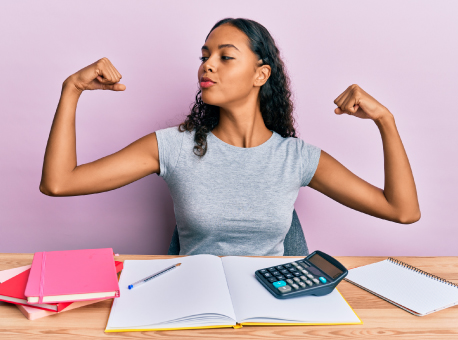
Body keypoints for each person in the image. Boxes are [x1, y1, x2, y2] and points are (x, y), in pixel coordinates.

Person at [40, 18, 420, 256]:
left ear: (261, 75)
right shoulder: (173, 146)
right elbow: (59, 183)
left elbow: (402, 211)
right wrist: (71, 89)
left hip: (274, 308)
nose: (207, 64)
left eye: (225, 56)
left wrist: (385, 120)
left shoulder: (296, 158)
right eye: (205, 55)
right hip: (194, 307)